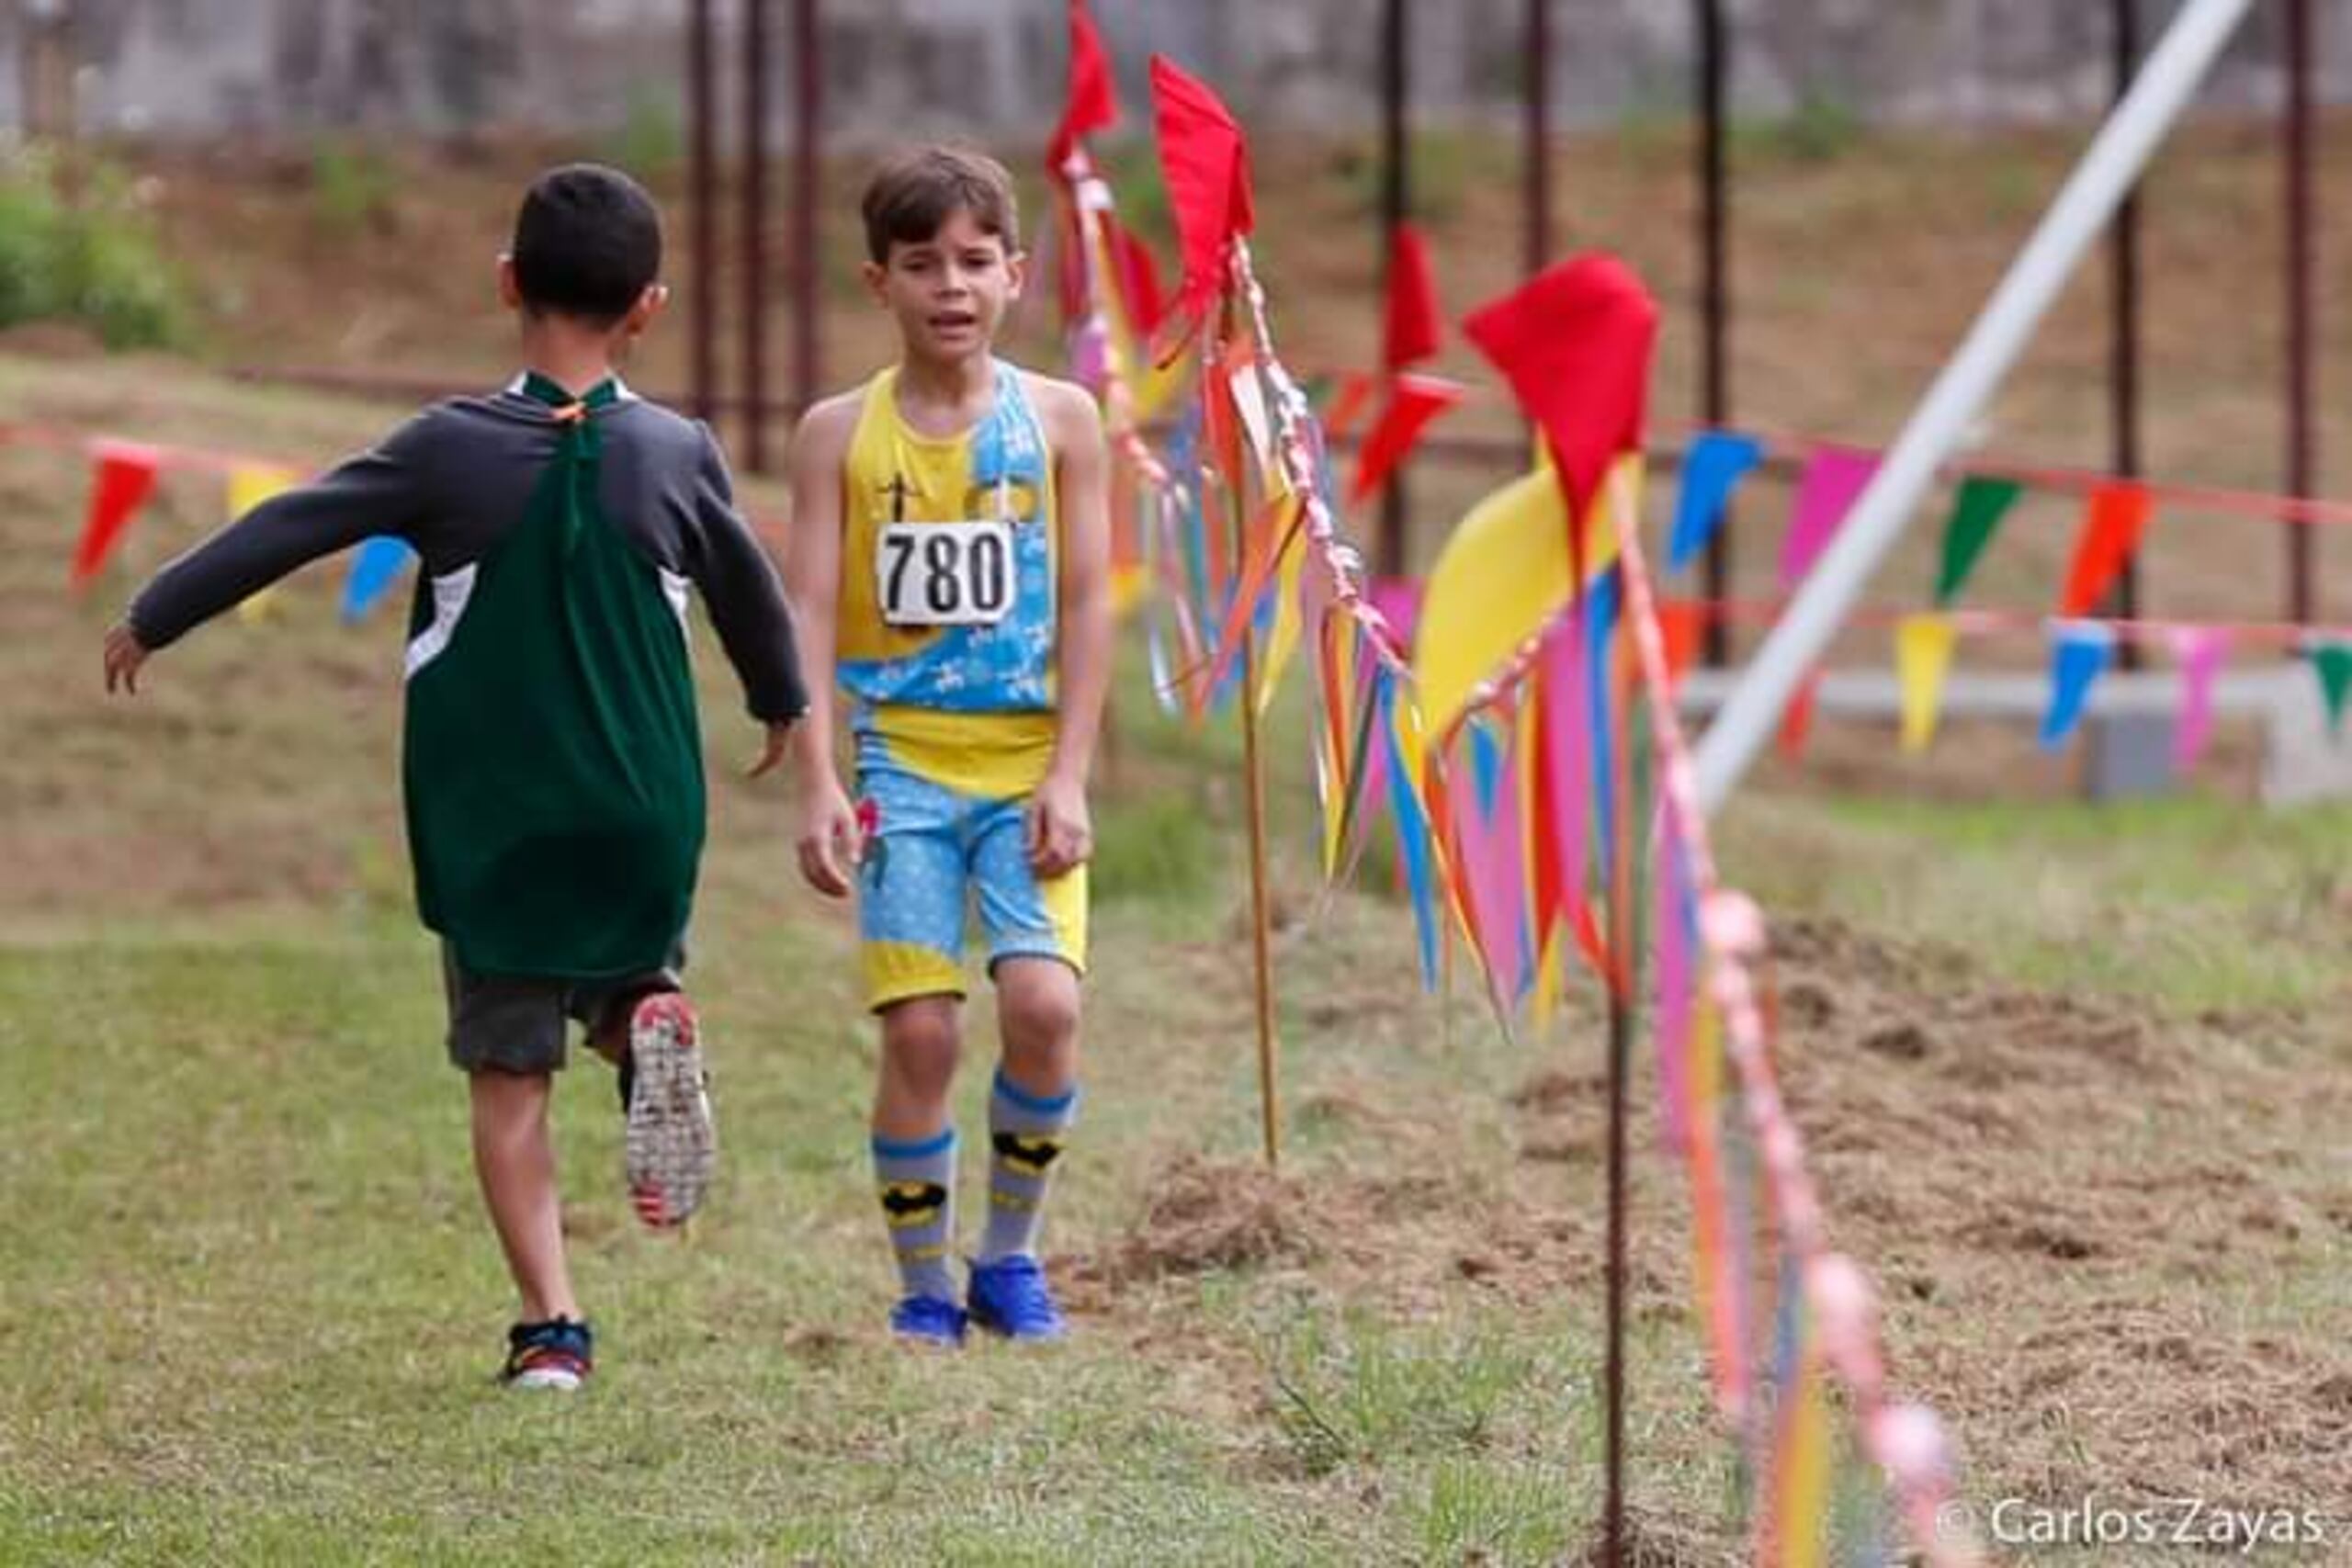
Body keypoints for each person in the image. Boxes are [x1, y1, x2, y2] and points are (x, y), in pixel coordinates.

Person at [101, 164, 807, 1391]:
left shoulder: (449, 449)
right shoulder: (680, 452)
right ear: (650, 305)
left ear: (505, 285)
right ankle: (642, 1026)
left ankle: (551, 1329)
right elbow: (745, 582)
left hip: (498, 823)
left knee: (508, 1068)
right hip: (646, 812)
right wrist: (781, 700)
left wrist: (158, 611)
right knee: (625, 964)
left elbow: (294, 522)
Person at [785, 146, 1111, 1347]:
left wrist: (1072, 771)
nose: (951, 286)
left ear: (1017, 275)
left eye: (976, 261)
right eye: (922, 264)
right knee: (922, 1029)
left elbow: (1086, 604)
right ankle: (924, 1282)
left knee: (1044, 1008)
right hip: (901, 771)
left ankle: (1011, 1256)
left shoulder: (1064, 422)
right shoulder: (836, 436)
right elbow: (808, 615)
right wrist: (819, 777)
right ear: (880, 282)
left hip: (1025, 767)